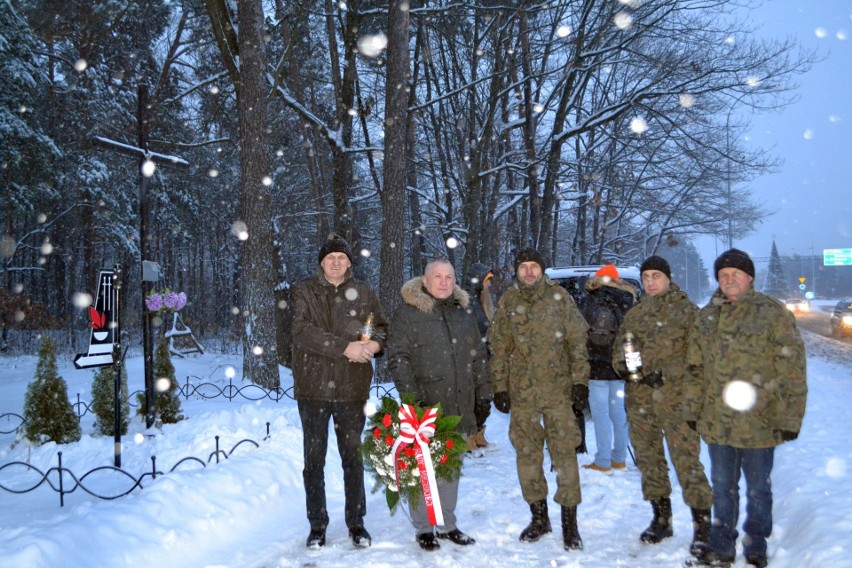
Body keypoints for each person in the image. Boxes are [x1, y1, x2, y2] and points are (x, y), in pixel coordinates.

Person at [684, 248, 807, 568]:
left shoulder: (772, 312)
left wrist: (789, 417)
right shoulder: (706, 315)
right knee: (722, 488)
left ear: (749, 277)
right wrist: (693, 410)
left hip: (760, 421)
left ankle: (757, 542)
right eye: (724, 275)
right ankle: (722, 545)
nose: (729, 279)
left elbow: (792, 368)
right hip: (717, 422)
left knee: (757, 490)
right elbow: (694, 369)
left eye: (736, 274)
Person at [487, 248, 590, 551]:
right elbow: (499, 348)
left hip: (558, 393)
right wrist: (500, 387)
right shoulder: (508, 301)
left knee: (565, 459)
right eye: (524, 267)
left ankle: (570, 525)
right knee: (528, 459)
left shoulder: (559, 297)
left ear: (542, 270)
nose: (529, 272)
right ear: (517, 271)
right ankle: (539, 518)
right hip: (523, 396)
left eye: (534, 267)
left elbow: (577, 342)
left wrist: (580, 381)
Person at [290, 234, 388, 550]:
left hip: (352, 388)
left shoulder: (363, 292)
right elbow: (302, 332)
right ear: (321, 262)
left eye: (342, 258)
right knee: (313, 460)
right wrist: (345, 347)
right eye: (330, 258)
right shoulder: (304, 291)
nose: (336, 263)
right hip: (313, 389)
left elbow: (379, 327)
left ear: (349, 262)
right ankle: (317, 526)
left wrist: (373, 343)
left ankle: (357, 524)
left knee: (352, 458)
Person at [613, 255, 713, 560]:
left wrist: (668, 375)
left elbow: (702, 359)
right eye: (646, 277)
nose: (650, 282)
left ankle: (702, 527)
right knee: (649, 460)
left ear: (668, 278)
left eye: (656, 276)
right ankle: (662, 519)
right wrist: (627, 368)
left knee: (687, 463)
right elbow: (621, 349)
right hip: (641, 401)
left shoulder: (687, 312)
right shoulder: (636, 314)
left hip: (677, 402)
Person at [386, 259, 491, 551]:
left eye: (449, 277)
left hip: (459, 401)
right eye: (437, 277)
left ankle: (447, 525)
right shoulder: (409, 313)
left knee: (451, 467)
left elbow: (478, 357)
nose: (443, 282)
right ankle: (423, 527)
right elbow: (397, 357)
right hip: (425, 404)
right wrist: (412, 399)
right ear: (425, 281)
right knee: (424, 467)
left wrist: (484, 395)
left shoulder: (463, 313)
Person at [579, 264, 635, 472]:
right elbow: (632, 337)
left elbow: (580, 331)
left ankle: (603, 460)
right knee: (619, 413)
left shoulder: (592, 300)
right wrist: (633, 368)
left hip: (596, 366)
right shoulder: (627, 301)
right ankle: (619, 458)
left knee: (601, 415)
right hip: (618, 366)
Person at [465, 262, 497, 451]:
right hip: (473, 361)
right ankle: (468, 436)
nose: (490, 285)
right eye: (488, 281)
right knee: (474, 400)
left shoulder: (481, 302)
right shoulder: (469, 302)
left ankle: (477, 433)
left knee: (484, 398)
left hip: (485, 358)